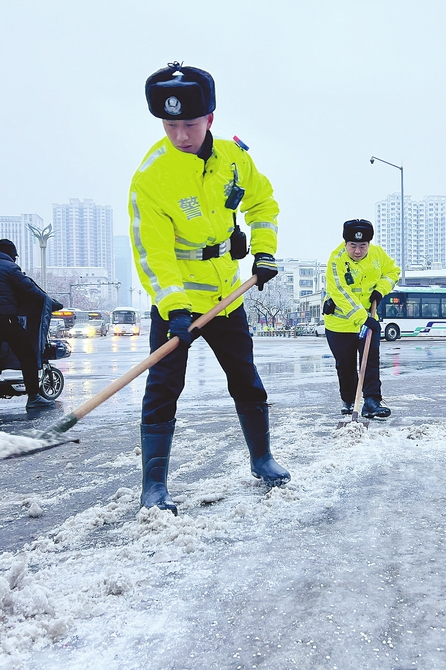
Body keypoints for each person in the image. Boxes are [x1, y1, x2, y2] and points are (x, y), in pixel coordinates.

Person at [129, 62, 289, 514]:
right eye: (171, 124)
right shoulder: (151, 177)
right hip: (176, 306)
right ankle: (154, 485)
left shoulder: (235, 159)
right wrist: (174, 307)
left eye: (190, 124)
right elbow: (153, 253)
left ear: (211, 119)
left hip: (226, 298)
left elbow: (263, 202)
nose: (180, 134)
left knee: (247, 381)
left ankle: (262, 459)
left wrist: (264, 251)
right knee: (163, 388)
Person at [323, 219, 400, 418]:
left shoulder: (377, 254)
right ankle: (349, 399)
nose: (357, 251)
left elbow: (393, 272)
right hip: (340, 323)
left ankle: (372, 401)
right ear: (345, 243)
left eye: (362, 246)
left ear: (369, 244)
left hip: (369, 320)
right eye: (353, 245)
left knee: (370, 361)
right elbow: (339, 291)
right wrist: (362, 317)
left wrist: (380, 291)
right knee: (346, 365)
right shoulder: (336, 260)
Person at [0, 239, 61, 410]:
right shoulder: (10, 268)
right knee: (27, 354)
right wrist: (51, 303)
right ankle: (34, 397)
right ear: (11, 254)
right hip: (4, 321)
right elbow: (30, 289)